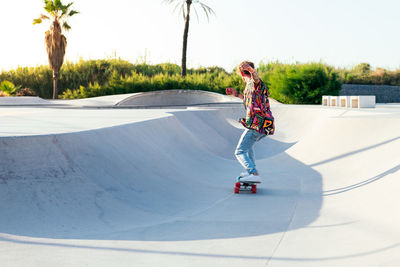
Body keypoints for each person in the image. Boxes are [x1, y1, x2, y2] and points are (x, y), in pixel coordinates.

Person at [226, 61, 275, 183]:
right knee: (249, 147)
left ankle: (253, 173)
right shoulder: (249, 88)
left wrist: (252, 71)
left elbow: (257, 80)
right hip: (263, 125)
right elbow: (249, 99)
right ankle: (251, 172)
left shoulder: (254, 83)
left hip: (256, 125)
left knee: (239, 151)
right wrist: (236, 94)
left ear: (242, 74)